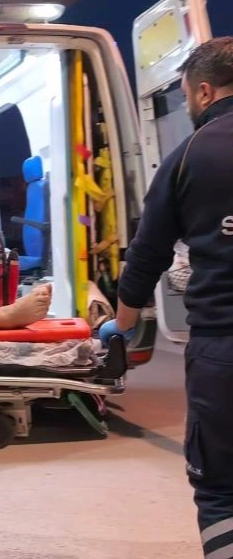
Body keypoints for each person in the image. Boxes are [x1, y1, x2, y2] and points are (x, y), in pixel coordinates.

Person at [98, 37, 233, 559]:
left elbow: (146, 256)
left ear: (204, 91)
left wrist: (122, 324)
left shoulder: (189, 156)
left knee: (221, 492)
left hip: (223, 345)